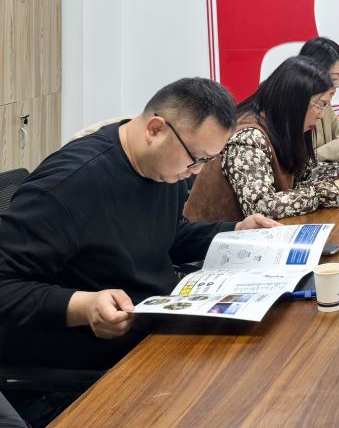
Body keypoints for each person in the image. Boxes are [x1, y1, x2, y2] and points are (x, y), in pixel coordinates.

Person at [0, 78, 280, 375]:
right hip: (92, 356)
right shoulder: (67, 186)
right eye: (195, 158)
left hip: (155, 327)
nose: (196, 171)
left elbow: (167, 237)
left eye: (206, 161)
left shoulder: (164, 168)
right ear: (155, 129)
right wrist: (83, 306)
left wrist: (234, 233)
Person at [185, 56, 339, 222]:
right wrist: (332, 190)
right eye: (320, 104)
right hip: (213, 247)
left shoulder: (282, 128)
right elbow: (262, 207)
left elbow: (305, 173)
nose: (321, 114)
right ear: (295, 102)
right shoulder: (248, 137)